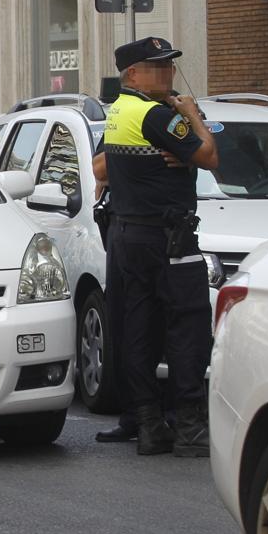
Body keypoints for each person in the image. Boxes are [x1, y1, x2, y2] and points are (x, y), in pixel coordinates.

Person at [99, 37, 218, 457]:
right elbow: (209, 156)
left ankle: (149, 424)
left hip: (130, 235)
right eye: (157, 67)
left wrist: (166, 154)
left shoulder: (119, 111)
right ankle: (190, 428)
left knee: (139, 330)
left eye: (168, 67)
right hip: (170, 238)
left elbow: (104, 166)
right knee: (187, 326)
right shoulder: (157, 115)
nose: (167, 74)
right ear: (133, 74)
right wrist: (192, 117)